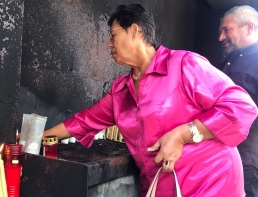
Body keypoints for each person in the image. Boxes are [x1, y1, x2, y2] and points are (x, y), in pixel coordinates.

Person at [43, 4, 258, 196]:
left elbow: (241, 106)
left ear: (135, 30)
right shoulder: (121, 91)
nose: (109, 44)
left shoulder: (183, 64)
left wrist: (183, 135)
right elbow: (83, 121)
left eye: (112, 35)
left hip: (212, 183)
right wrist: (37, 139)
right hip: (160, 187)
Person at [218, 5, 258, 197]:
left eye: (227, 30)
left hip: (247, 158)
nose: (221, 37)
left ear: (249, 27)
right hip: (220, 156)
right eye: (220, 32)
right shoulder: (227, 60)